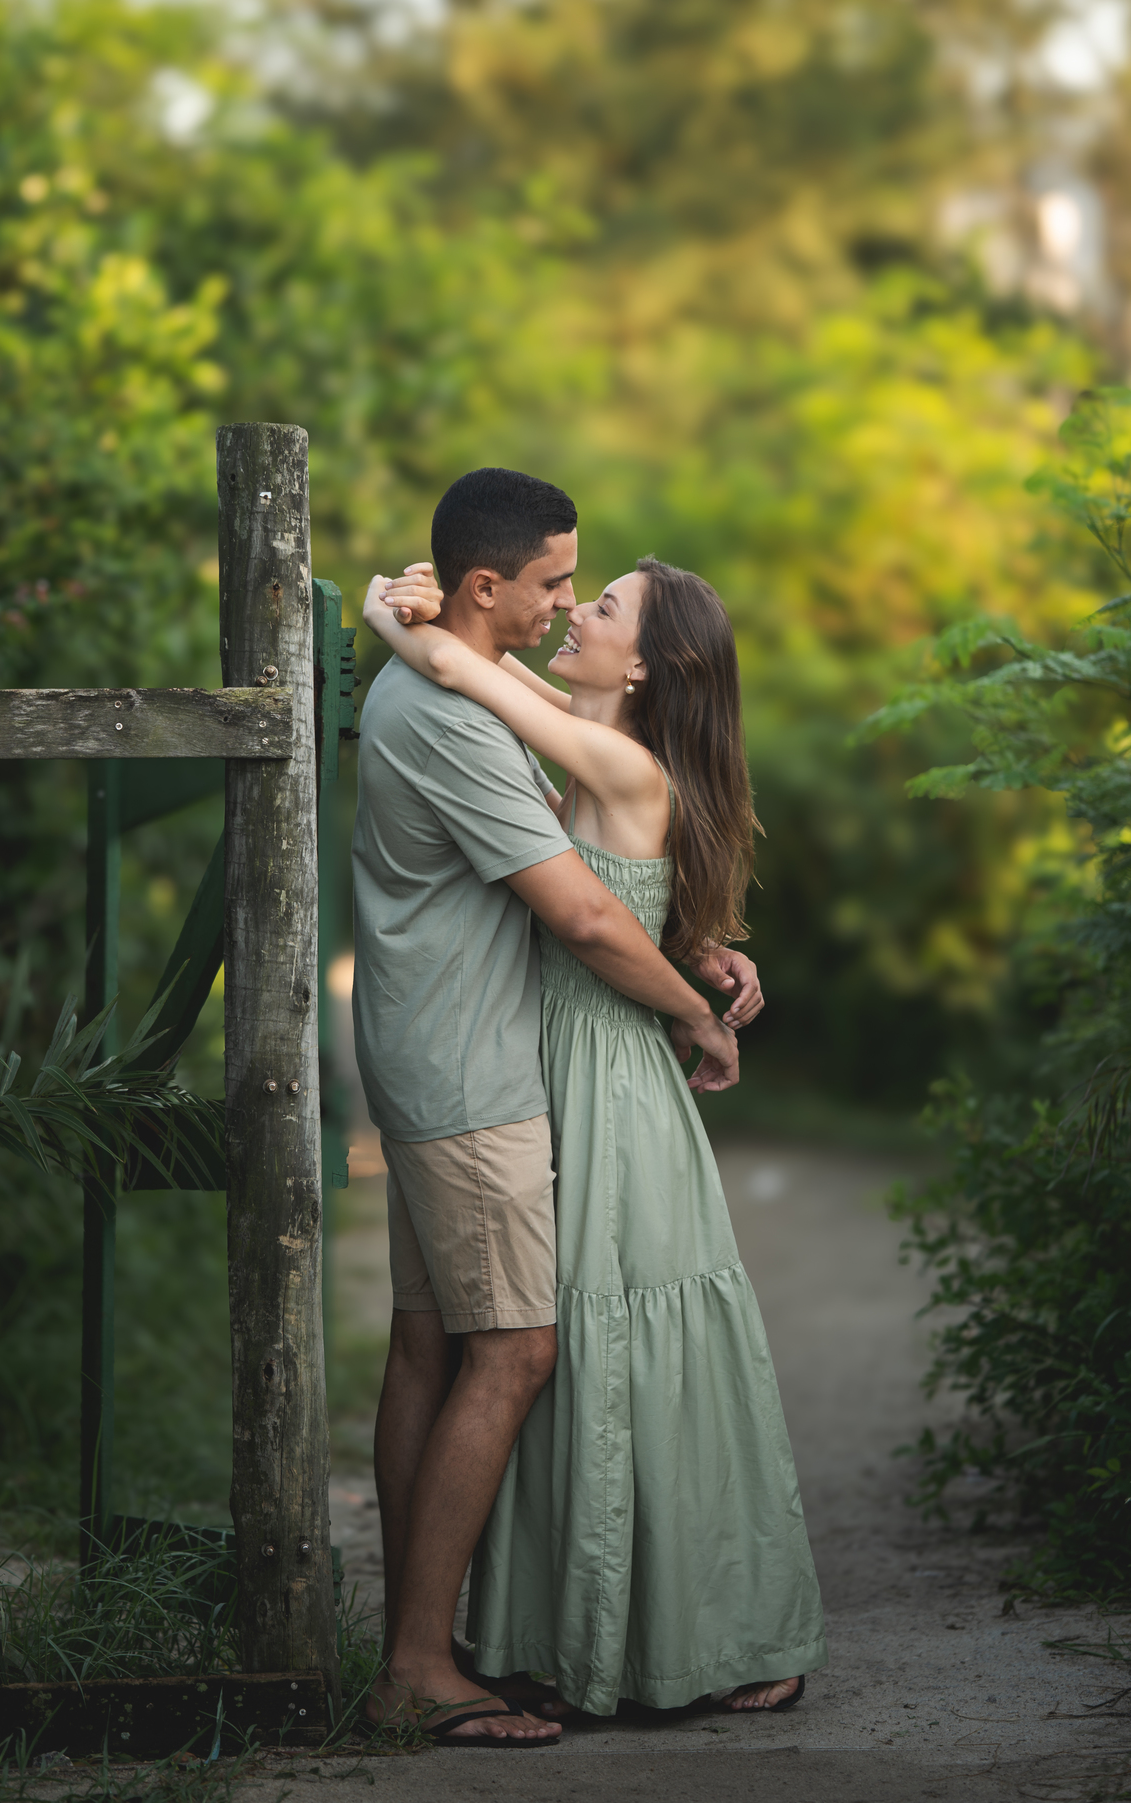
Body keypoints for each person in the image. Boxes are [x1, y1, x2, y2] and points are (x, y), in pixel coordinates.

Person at [365, 548, 827, 1720]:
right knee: (559, 1356)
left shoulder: (611, 754)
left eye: (601, 606)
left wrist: (385, 614)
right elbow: (617, 895)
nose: (574, 614)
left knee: (628, 1351)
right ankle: (559, 1633)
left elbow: (467, 678)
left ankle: (706, 1632)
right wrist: (695, 958)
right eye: (575, 591)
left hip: (607, 1079)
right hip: (552, 1063)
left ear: (651, 662)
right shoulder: (577, 753)